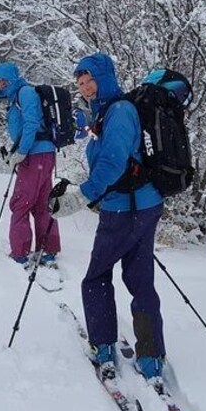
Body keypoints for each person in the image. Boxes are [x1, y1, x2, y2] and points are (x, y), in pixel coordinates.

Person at [49, 52, 166, 386]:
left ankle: (103, 346)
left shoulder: (119, 112)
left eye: (90, 80)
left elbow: (112, 164)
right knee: (140, 278)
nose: (85, 87)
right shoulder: (111, 112)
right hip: (144, 204)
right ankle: (150, 355)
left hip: (124, 209)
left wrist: (82, 196)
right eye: (81, 83)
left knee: (97, 276)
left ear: (105, 78)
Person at [0, 61, 61, 266]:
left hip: (34, 156)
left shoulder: (25, 93)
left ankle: (20, 252)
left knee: (21, 202)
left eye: (3, 81)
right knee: (41, 202)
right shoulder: (18, 97)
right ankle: (48, 248)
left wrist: (21, 152)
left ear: (11, 79)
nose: (0, 85)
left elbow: (31, 123)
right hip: (42, 154)